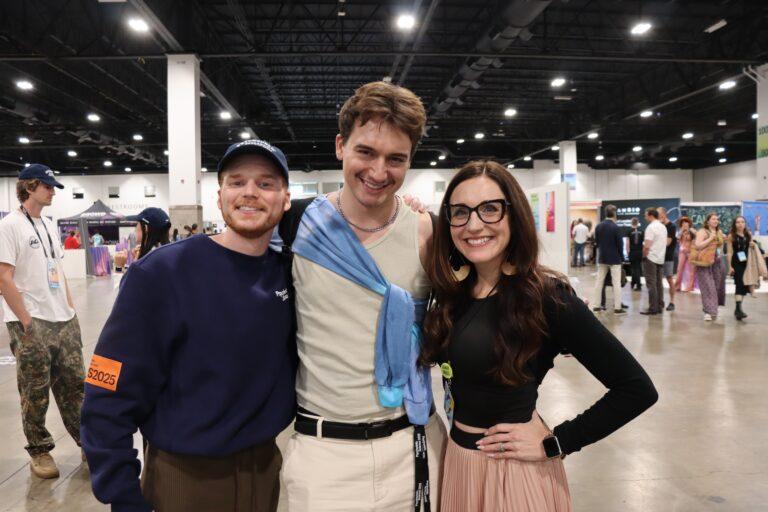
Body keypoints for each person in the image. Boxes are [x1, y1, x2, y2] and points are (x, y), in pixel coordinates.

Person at [421, 160, 657, 511]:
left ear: (515, 216)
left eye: (490, 209)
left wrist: (557, 442)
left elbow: (636, 389)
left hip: (513, 475)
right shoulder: (452, 293)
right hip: (458, 465)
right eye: (460, 212)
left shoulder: (546, 297)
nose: (473, 224)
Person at [80, 140, 295, 512]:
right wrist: (121, 491)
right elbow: (107, 387)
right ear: (219, 196)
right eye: (237, 182)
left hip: (265, 471)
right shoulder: (163, 273)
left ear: (286, 199)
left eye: (266, 183)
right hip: (184, 478)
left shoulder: (288, 272)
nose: (250, 192)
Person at [279, 81, 446, 512]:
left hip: (412, 444)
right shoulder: (296, 224)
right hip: (323, 455)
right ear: (340, 146)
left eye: (396, 159)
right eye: (366, 152)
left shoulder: (428, 233)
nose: (378, 171)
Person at [0, 164, 85, 479]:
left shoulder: (49, 224)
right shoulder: (9, 226)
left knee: (76, 386)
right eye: (47, 186)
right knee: (35, 390)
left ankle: (88, 442)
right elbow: (4, 277)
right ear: (29, 187)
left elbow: (57, 271)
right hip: (31, 320)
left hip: (63, 318)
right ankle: (39, 450)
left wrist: (71, 309)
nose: (52, 192)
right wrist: (26, 322)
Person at [592, 205, 626, 315]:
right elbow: (620, 245)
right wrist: (622, 258)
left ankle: (596, 306)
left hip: (602, 258)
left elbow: (597, 243)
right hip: (615, 259)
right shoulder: (615, 227)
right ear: (615, 213)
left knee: (599, 282)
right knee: (616, 283)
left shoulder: (598, 226)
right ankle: (617, 308)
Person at [692, 213, 725, 321]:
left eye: (717, 219)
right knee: (707, 286)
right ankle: (707, 311)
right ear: (707, 221)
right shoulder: (702, 231)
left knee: (716, 287)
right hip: (704, 262)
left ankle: (712, 308)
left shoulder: (719, 232)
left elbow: (721, 246)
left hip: (717, 262)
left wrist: (720, 253)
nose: (716, 221)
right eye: (713, 219)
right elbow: (698, 245)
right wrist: (710, 238)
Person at [726, 216, 754, 320]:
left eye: (742, 222)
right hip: (737, 263)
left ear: (745, 224)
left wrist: (753, 245)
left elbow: (751, 249)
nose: (740, 224)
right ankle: (738, 309)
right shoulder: (731, 236)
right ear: (735, 224)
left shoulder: (748, 235)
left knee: (744, 285)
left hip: (747, 263)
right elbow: (729, 252)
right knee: (739, 284)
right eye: (738, 222)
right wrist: (730, 266)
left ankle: (738, 309)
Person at [641, 208, 667, 316]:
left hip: (651, 258)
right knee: (659, 283)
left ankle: (653, 308)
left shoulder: (650, 227)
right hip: (660, 258)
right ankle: (659, 306)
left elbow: (647, 245)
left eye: (646, 215)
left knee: (651, 284)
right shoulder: (663, 227)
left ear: (651, 215)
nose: (645, 217)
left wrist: (644, 255)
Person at [658, 207, 677, 311]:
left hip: (668, 257)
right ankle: (660, 301)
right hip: (658, 256)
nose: (658, 217)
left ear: (664, 214)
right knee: (658, 280)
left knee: (669, 279)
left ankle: (672, 302)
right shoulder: (659, 226)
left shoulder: (671, 226)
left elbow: (667, 243)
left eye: (659, 214)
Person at [675, 217, 696, 292]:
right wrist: (681, 231)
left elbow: (697, 237)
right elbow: (677, 239)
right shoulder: (680, 231)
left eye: (686, 222)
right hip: (683, 252)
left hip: (691, 252)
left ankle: (690, 287)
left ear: (689, 223)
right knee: (679, 269)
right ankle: (677, 286)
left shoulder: (692, 230)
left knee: (692, 270)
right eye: (683, 223)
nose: (684, 224)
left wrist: (690, 230)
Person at [627, 218, 644, 290]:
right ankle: (633, 283)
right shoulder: (642, 231)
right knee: (637, 268)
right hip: (639, 252)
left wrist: (628, 252)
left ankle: (638, 285)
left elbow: (627, 243)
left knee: (634, 268)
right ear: (637, 223)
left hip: (632, 252)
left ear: (631, 223)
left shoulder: (629, 231)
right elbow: (643, 243)